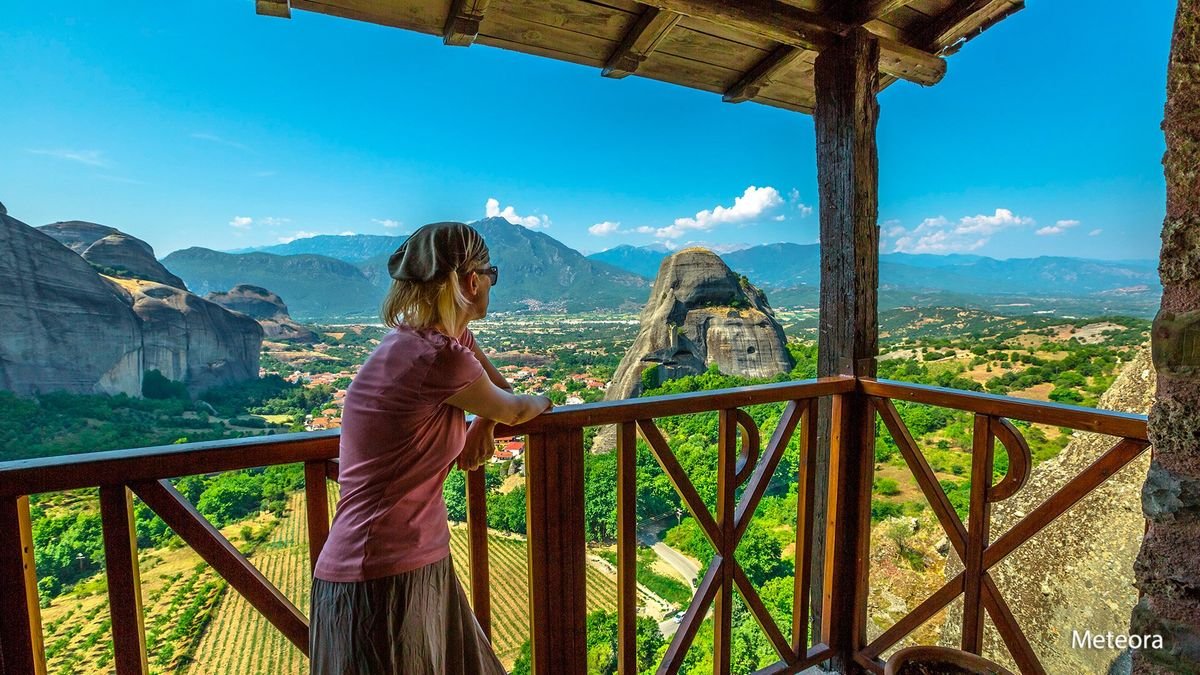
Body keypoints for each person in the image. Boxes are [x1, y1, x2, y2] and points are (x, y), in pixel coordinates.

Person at [309, 221, 552, 675]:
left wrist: (483, 422)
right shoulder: (439, 356)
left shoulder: (428, 341)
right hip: (381, 573)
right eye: (492, 275)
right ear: (472, 282)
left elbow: (495, 393)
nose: (492, 285)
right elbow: (517, 408)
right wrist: (544, 400)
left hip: (410, 559)